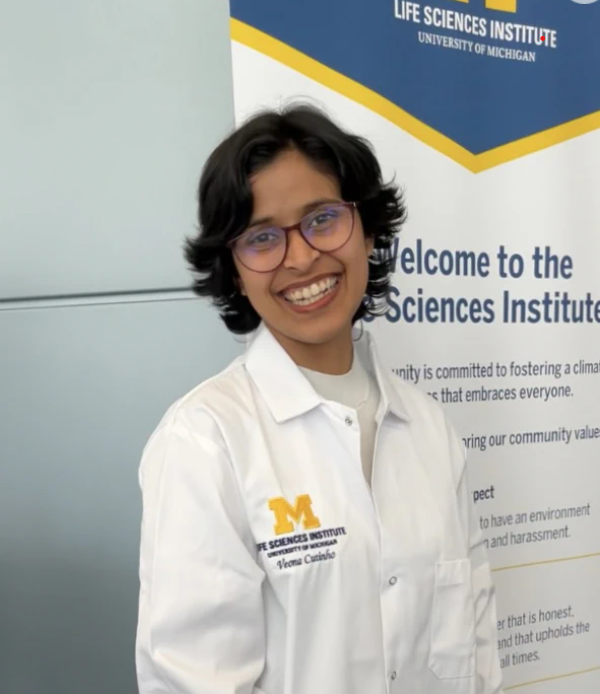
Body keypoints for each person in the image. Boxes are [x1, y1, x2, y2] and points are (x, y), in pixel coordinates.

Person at [135, 104, 504, 694]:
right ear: (234, 269)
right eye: (262, 238)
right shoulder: (206, 442)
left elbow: (477, 653)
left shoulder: (433, 429)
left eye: (323, 219)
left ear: (368, 229)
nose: (302, 257)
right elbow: (193, 681)